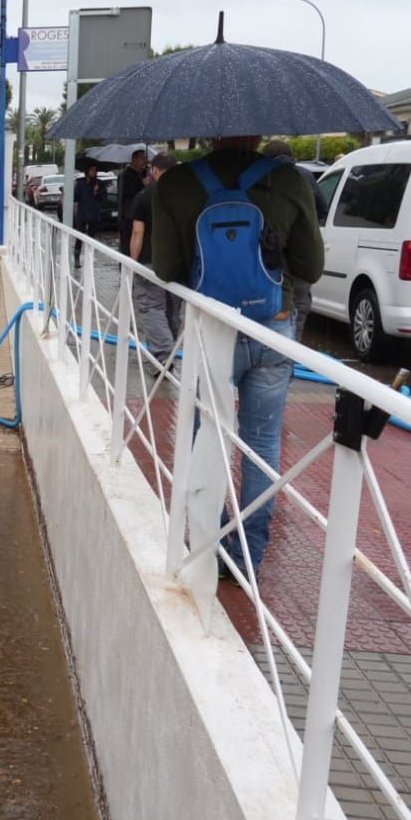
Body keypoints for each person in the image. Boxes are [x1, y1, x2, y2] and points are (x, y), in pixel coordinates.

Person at [151, 137, 324, 579]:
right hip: (271, 326)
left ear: (209, 134)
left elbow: (165, 269)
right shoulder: (288, 179)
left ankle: (205, 540)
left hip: (210, 329)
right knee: (261, 445)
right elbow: (312, 266)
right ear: (260, 133)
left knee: (202, 436)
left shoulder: (178, 183)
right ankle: (248, 557)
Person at [260, 139, 328, 341]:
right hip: (301, 258)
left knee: (268, 309)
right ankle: (291, 354)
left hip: (269, 257)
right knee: (298, 307)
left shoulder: (260, 178)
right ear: (292, 157)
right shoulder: (305, 176)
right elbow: (323, 211)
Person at [126, 151, 181, 365]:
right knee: (173, 308)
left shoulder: (144, 196)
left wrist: (132, 262)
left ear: (154, 171)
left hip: (149, 262)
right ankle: (173, 347)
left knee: (152, 307)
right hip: (177, 264)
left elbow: (138, 233)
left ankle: (163, 356)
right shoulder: (187, 196)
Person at [72, 162, 103, 266]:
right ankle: (77, 257)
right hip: (83, 213)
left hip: (94, 213)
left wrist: (97, 192)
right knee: (79, 236)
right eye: (92, 170)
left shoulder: (99, 183)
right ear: (87, 172)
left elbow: (103, 198)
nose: (94, 172)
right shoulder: (80, 184)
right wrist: (76, 215)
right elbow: (76, 199)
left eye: (95, 170)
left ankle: (89, 258)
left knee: (91, 238)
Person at [119, 148, 149, 228]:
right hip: (129, 216)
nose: (145, 161)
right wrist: (142, 184)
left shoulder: (146, 173)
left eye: (146, 158)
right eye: (142, 158)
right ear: (134, 159)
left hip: (144, 214)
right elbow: (126, 194)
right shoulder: (125, 175)